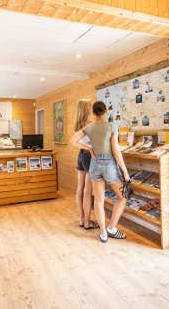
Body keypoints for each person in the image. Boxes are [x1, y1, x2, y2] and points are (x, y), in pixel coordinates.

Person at [69, 101, 130, 243]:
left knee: (98, 200)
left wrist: (90, 149)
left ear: (93, 112)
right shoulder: (112, 126)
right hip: (108, 165)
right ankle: (112, 228)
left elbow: (72, 142)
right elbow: (116, 152)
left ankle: (103, 234)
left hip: (94, 165)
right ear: (106, 111)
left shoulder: (89, 127)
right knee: (122, 197)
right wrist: (125, 173)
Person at [73, 99, 98, 230]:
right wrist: (89, 148)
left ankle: (82, 219)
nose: (91, 108)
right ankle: (88, 222)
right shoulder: (89, 124)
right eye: (90, 106)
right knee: (88, 192)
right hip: (88, 156)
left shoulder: (77, 125)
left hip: (80, 155)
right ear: (86, 109)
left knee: (80, 189)